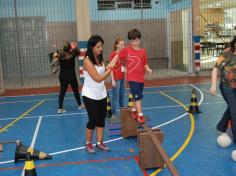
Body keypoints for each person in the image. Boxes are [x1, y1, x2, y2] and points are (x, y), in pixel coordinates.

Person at [82, 35, 117, 153]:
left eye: (101, 46)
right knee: (93, 120)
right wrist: (110, 70)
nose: (101, 49)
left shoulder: (99, 57)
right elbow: (98, 78)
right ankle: (88, 143)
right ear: (91, 47)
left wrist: (109, 65)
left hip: (101, 93)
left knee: (101, 120)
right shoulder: (87, 61)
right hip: (89, 95)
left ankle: (99, 142)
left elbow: (103, 70)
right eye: (98, 46)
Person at [112, 29, 152, 124]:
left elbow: (145, 64)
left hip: (140, 78)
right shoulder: (127, 50)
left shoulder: (143, 52)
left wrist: (148, 69)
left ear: (140, 40)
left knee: (137, 96)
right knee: (137, 96)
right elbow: (118, 56)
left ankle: (133, 109)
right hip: (132, 78)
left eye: (136, 40)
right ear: (129, 41)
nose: (134, 43)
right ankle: (140, 114)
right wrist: (112, 63)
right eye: (132, 41)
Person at [209, 37, 236, 143]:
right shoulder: (227, 53)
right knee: (234, 111)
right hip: (227, 87)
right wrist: (213, 85)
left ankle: (221, 126)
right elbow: (215, 69)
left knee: (232, 108)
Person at [53, 42, 85, 114]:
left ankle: (60, 108)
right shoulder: (72, 55)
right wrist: (75, 46)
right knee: (75, 91)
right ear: (70, 49)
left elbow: (54, 58)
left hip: (63, 76)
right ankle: (80, 105)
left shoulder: (60, 56)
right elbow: (78, 52)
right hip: (71, 76)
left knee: (62, 92)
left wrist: (56, 55)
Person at [109, 38, 125, 118]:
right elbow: (111, 68)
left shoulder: (122, 54)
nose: (123, 46)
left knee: (121, 96)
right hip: (116, 78)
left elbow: (122, 65)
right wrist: (112, 80)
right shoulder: (113, 55)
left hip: (122, 78)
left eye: (123, 44)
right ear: (116, 45)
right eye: (121, 44)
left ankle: (123, 113)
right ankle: (113, 114)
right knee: (115, 96)